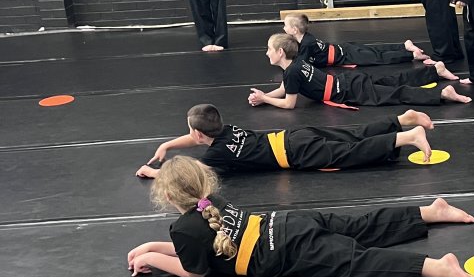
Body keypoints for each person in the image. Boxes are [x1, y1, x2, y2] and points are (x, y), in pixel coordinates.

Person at [126, 156, 474, 277]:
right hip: (286, 222)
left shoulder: (184, 227)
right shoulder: (212, 202)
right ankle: (428, 211)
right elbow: (203, 246)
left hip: (282, 252)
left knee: (355, 262)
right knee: (358, 225)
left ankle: (438, 268)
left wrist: (153, 260)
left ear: (170, 199)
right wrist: (150, 247)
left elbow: (196, 271)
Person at [134, 103, 437, 178]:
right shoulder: (227, 130)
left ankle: (407, 136)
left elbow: (191, 175)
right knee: (352, 134)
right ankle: (401, 119)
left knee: (349, 153)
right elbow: (193, 137)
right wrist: (168, 146)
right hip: (294, 136)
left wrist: (154, 171)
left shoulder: (216, 156)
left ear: (200, 134)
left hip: (296, 153)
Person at [248, 34, 471, 111]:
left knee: (395, 93)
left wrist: (265, 98)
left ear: (279, 52)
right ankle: (434, 72)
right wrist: (265, 97)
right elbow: (285, 89)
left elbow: (289, 103)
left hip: (347, 90)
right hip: (346, 80)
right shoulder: (295, 65)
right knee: (391, 80)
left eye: (269, 50)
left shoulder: (292, 72)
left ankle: (441, 94)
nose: (266, 53)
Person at [283, 14, 435, 67]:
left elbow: (300, 65)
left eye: (285, 26)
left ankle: (411, 55)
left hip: (346, 55)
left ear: (295, 30)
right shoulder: (304, 39)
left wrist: (283, 61)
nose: (283, 28)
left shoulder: (307, 43)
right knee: (375, 51)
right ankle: (404, 45)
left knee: (378, 58)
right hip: (343, 49)